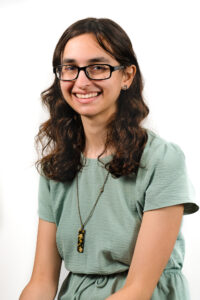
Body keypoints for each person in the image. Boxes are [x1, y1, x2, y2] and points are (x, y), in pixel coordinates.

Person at [19, 17, 199, 300]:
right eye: (70, 68)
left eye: (98, 67)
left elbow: (137, 291)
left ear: (127, 76)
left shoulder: (162, 160)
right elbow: (41, 282)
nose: (81, 81)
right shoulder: (55, 167)